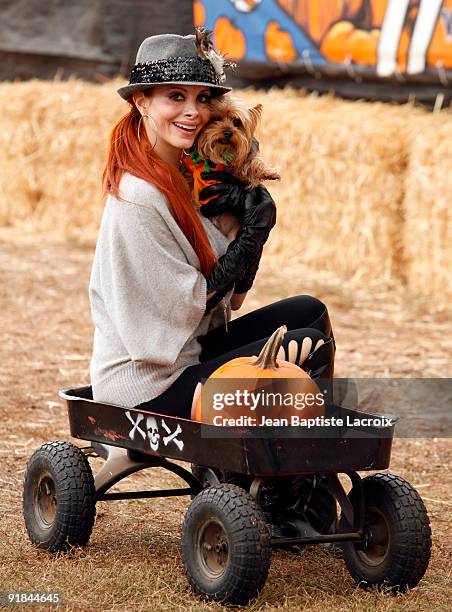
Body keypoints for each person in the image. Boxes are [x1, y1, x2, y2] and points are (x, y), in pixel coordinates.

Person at [88, 31, 336, 418]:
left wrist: (249, 220)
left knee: (308, 311)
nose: (194, 112)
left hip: (190, 351)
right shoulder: (140, 196)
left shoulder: (189, 178)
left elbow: (232, 301)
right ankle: (292, 466)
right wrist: (250, 237)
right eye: (176, 97)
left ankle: (282, 450)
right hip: (150, 383)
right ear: (141, 101)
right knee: (309, 344)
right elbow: (186, 306)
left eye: (202, 98)